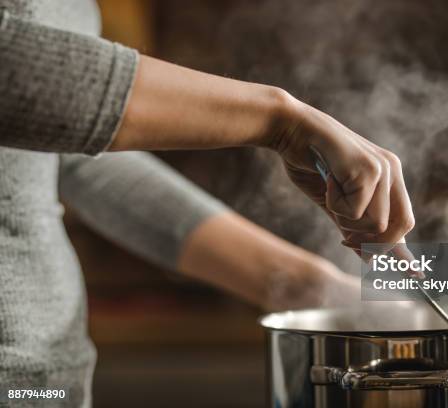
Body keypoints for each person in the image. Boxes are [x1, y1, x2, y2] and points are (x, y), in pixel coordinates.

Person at [0, 0, 415, 406]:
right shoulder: (278, 118)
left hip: (45, 378)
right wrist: (280, 121)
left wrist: (305, 284)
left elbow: (69, 158)